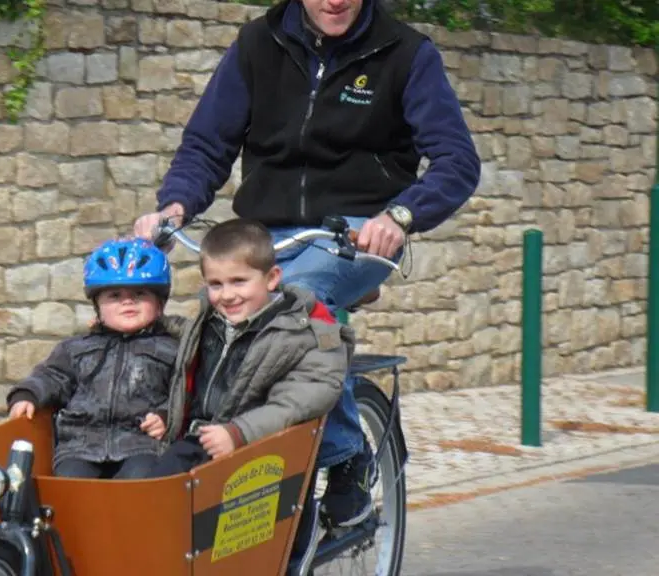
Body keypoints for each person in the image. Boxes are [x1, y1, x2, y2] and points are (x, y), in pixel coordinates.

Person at [133, 0, 481, 526]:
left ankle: (345, 457)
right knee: (215, 307)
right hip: (266, 230)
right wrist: (175, 204)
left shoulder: (406, 53)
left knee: (294, 303)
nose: (334, 1)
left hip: (356, 233)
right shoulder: (258, 43)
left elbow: (457, 160)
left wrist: (400, 216)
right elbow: (207, 143)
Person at [148, 219, 352, 477]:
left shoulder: (304, 334)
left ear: (272, 279)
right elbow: (184, 332)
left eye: (239, 281)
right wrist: (140, 320)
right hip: (198, 438)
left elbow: (297, 402)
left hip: (255, 450)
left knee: (161, 486)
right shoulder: (212, 320)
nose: (228, 295)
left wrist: (239, 432)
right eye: (216, 284)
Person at [6, 238, 177, 480]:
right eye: (115, 295)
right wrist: (27, 394)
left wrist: (166, 416)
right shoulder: (76, 348)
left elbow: (184, 392)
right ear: (98, 306)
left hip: (141, 443)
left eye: (140, 293)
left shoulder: (171, 349)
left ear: (160, 304)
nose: (127, 301)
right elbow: (52, 375)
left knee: (141, 479)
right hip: (81, 443)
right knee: (70, 482)